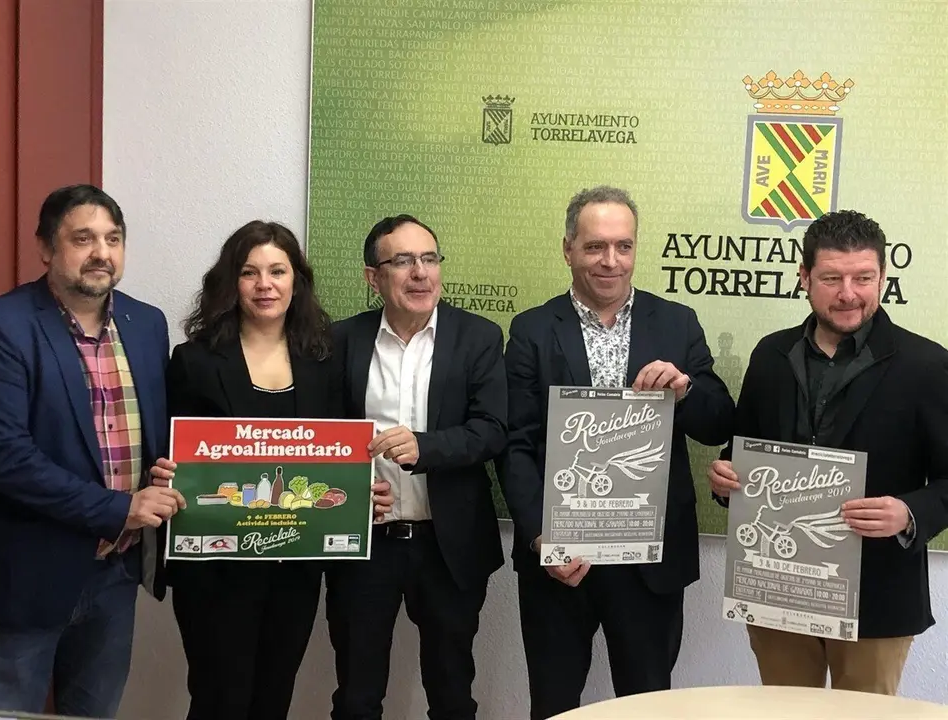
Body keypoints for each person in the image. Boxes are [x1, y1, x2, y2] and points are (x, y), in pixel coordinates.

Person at [498, 186, 735, 719]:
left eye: (623, 246)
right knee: (554, 705)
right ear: (568, 249)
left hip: (650, 562)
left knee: (647, 706)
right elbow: (516, 444)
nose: (611, 260)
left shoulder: (676, 323)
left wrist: (685, 390)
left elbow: (720, 421)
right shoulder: (532, 330)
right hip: (562, 557)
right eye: (595, 246)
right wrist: (540, 538)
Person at [146, 221, 393, 720]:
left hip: (294, 569)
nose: (265, 285)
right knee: (220, 701)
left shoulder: (323, 361)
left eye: (278, 271)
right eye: (249, 272)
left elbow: (338, 457)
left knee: (273, 698)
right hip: (214, 572)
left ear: (296, 281)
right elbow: (169, 451)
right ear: (231, 282)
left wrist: (363, 494)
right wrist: (163, 473)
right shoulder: (194, 361)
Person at [708, 209, 948, 695]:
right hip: (777, 587)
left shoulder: (927, 364)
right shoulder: (770, 355)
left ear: (883, 276)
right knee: (785, 713)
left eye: (863, 278)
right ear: (805, 277)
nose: (848, 294)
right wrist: (725, 480)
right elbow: (740, 453)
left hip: (876, 597)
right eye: (832, 278)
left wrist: (909, 512)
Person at [0, 184, 186, 717]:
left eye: (113, 238)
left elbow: (159, 432)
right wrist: (121, 508)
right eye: (83, 238)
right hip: (28, 577)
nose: (102, 252)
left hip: (116, 574)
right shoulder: (4, 325)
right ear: (45, 248)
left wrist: (172, 470)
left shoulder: (146, 324)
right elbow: (5, 456)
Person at [325, 214, 507, 720]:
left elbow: (493, 429)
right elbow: (323, 438)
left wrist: (425, 447)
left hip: (447, 547)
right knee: (357, 697)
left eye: (429, 258)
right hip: (366, 545)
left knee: (452, 695)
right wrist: (352, 489)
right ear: (373, 277)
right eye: (403, 261)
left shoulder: (478, 337)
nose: (421, 272)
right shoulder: (341, 341)